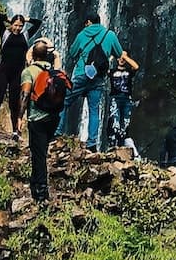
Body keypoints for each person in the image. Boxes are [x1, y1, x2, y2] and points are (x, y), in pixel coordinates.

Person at [63, 13, 124, 154]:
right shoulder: (110, 34)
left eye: (86, 23)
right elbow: (119, 53)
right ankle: (92, 143)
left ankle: (58, 133)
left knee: (65, 101)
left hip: (81, 73)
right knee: (94, 110)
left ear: (89, 22)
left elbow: (72, 53)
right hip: (99, 76)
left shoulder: (82, 34)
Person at [21, 40, 70, 207]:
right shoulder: (54, 70)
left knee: (39, 155)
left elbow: (25, 95)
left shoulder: (29, 72)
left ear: (33, 55)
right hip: (54, 118)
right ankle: (35, 186)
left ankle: (41, 193)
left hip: (37, 119)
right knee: (39, 151)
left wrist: (19, 117)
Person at [0, 10, 43, 143]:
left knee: (14, 103)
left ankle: (15, 132)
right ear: (11, 24)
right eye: (15, 25)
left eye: (20, 26)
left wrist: (25, 19)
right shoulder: (5, 33)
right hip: (3, 72)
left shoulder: (26, 35)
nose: (17, 28)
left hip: (18, 73)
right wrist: (10, 18)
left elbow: (38, 23)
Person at [107, 49, 140, 150]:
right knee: (115, 122)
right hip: (115, 99)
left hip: (126, 99)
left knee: (125, 124)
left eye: (124, 57)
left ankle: (122, 146)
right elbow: (104, 69)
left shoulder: (129, 71)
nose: (121, 59)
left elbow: (136, 66)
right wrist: (111, 58)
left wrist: (125, 57)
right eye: (120, 57)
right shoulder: (112, 71)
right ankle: (113, 145)